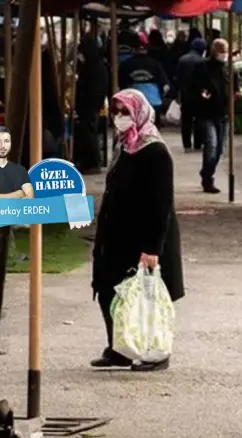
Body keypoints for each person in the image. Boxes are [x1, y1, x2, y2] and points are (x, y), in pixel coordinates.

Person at [91, 89, 184, 371]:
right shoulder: (125, 145)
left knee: (146, 296)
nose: (119, 118)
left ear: (139, 114)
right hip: (118, 234)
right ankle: (120, 348)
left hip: (143, 236)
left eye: (125, 113)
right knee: (111, 291)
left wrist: (152, 248)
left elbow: (161, 203)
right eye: (116, 112)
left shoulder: (154, 150)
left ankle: (155, 352)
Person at [192, 38, 239, 194]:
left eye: (225, 52)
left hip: (223, 114)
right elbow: (194, 87)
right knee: (211, 146)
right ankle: (207, 179)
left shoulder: (230, 69)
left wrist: (236, 95)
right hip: (206, 114)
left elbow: (236, 89)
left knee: (219, 150)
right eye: (221, 51)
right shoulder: (202, 67)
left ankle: (206, 173)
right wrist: (201, 94)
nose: (224, 55)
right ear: (214, 52)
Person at [73, 34, 108, 174]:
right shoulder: (93, 65)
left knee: (89, 133)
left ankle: (92, 162)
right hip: (90, 104)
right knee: (88, 132)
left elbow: (94, 88)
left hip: (89, 104)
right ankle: (89, 161)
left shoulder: (93, 67)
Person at [119, 33, 170, 119]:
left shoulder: (126, 64)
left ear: (134, 50)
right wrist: (161, 96)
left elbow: (121, 84)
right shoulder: (156, 64)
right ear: (146, 50)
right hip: (153, 102)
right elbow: (166, 87)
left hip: (133, 101)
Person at [175, 38, 207, 152]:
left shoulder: (182, 59)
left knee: (186, 120)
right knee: (199, 120)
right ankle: (198, 144)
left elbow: (177, 78)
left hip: (185, 94)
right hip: (198, 96)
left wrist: (178, 93)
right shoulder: (203, 61)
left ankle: (187, 145)